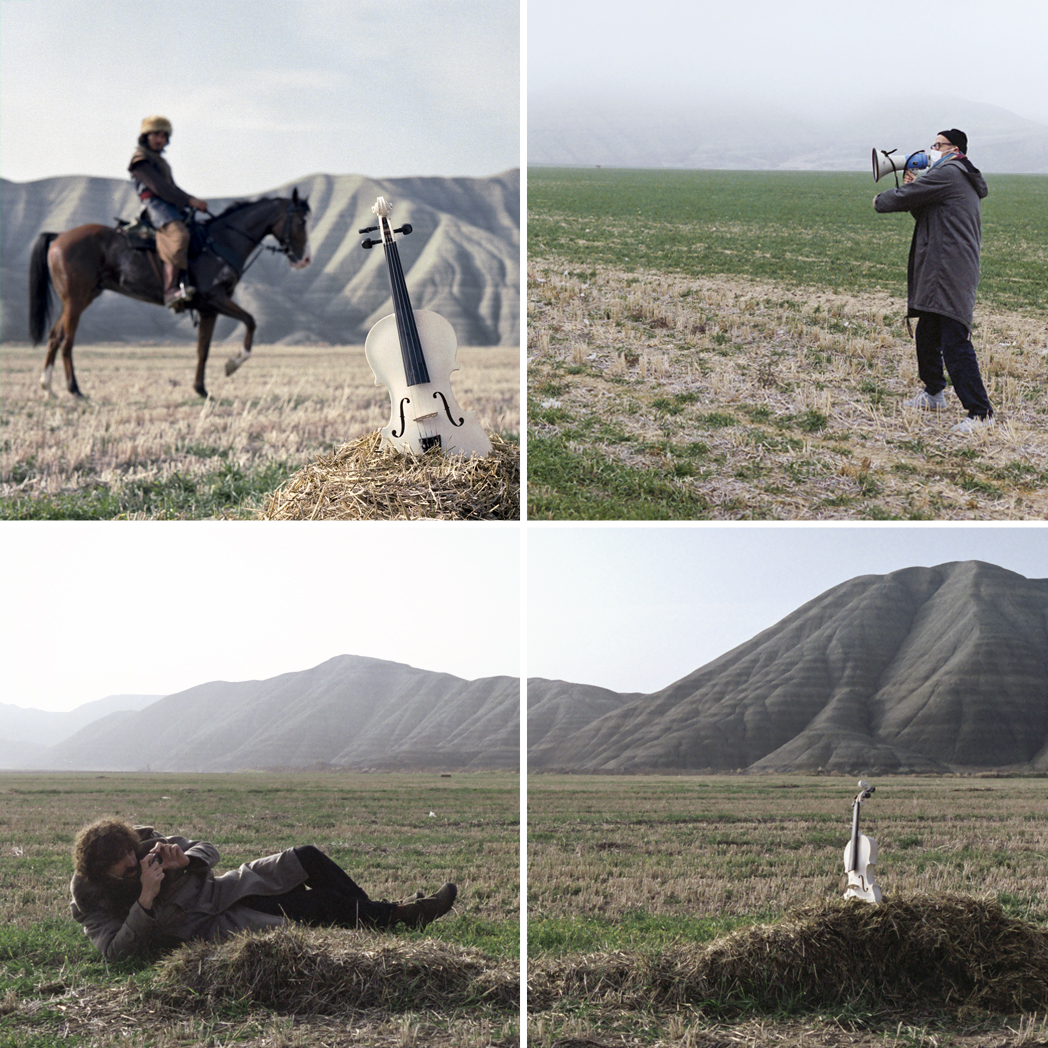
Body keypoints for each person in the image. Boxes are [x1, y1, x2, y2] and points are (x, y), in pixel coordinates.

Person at [70, 818, 457, 961]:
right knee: (315, 907)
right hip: (213, 925)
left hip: (230, 888)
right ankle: (401, 916)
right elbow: (115, 953)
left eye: (133, 857)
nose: (135, 866)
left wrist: (186, 861)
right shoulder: (91, 901)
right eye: (125, 869)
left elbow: (208, 848)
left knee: (305, 856)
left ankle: (385, 916)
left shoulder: (145, 846)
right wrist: (146, 899)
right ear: (103, 874)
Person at [874, 129, 994, 433]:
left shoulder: (951, 172)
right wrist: (916, 187)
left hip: (950, 268)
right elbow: (926, 213)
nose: (931, 149)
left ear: (952, 149)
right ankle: (933, 393)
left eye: (937, 144)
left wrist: (882, 198)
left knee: (954, 337)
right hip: (941, 264)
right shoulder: (950, 175)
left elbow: (903, 199)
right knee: (927, 330)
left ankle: (980, 413)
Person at [128, 116, 210, 310]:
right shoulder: (140, 159)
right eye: (156, 134)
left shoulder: (161, 161)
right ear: (146, 136)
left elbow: (172, 188)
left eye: (164, 136)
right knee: (179, 236)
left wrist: (192, 201)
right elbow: (159, 187)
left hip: (169, 205)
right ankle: (170, 290)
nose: (160, 139)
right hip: (155, 205)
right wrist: (190, 200)